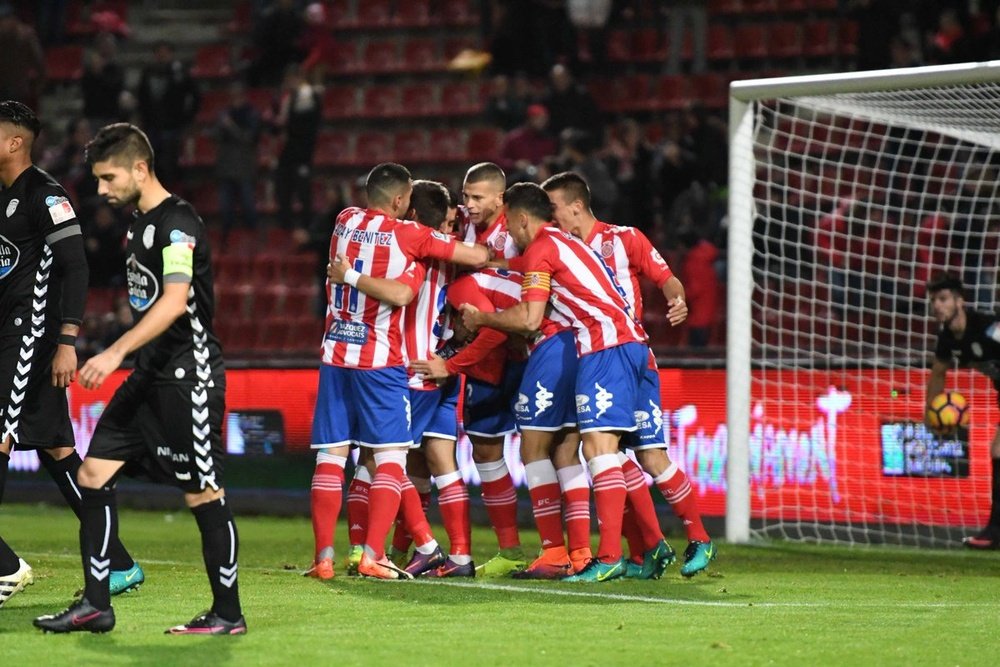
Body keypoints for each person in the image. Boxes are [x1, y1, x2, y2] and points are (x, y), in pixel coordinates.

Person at [34, 123, 244, 634]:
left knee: (203, 494)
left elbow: (173, 302)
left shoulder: (178, 224)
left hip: (187, 378)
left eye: (108, 178)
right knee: (91, 475)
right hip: (148, 377)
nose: (101, 189)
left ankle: (227, 614)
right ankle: (96, 605)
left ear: (140, 168)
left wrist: (113, 352)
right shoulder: (138, 223)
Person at [463, 182, 650, 583]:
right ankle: (586, 551)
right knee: (569, 449)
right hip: (592, 346)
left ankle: (563, 552)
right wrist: (494, 264)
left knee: (540, 447)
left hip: (576, 346)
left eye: (510, 223)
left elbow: (530, 319)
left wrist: (480, 320)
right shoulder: (562, 243)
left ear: (521, 218)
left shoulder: (543, 248)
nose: (508, 233)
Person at [312, 163, 488, 580]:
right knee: (396, 459)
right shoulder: (417, 242)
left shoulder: (345, 219)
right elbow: (468, 260)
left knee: (346, 457)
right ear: (399, 202)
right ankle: (397, 551)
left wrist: (348, 273)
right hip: (401, 364)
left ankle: (334, 555)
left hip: (345, 354)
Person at [0, 102, 139, 610]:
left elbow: (76, 267)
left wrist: (67, 340)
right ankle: (118, 560)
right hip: (7, 337)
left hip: (30, 339)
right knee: (58, 449)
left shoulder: (46, 195)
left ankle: (5, 568)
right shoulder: (2, 196)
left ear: (15, 141)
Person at [542, 172, 716, 576]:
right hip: (613, 355)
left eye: (552, 209)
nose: (549, 219)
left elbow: (665, 277)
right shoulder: (558, 247)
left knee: (606, 451)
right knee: (639, 456)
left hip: (616, 354)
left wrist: (678, 300)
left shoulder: (623, 238)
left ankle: (621, 555)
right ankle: (668, 545)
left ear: (575, 206)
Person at [925, 274, 1000, 549]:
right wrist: (929, 414)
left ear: (960, 302)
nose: (937, 306)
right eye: (933, 300)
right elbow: (938, 373)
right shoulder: (947, 338)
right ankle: (995, 531)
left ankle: (995, 531)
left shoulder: (988, 328)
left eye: (943, 299)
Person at [135, 41, 200, 187]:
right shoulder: (148, 72)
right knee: (153, 162)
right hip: (152, 126)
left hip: (173, 126)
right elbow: (142, 98)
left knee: (170, 163)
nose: (162, 55)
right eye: (159, 52)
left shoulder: (180, 73)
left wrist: (187, 117)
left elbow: (195, 95)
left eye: (165, 52)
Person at [213, 80, 261, 240]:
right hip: (226, 167)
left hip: (244, 167)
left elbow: (249, 138)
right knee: (226, 210)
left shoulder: (251, 114)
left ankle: (254, 240)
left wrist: (230, 127)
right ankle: (226, 243)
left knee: (248, 207)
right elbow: (216, 137)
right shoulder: (224, 114)